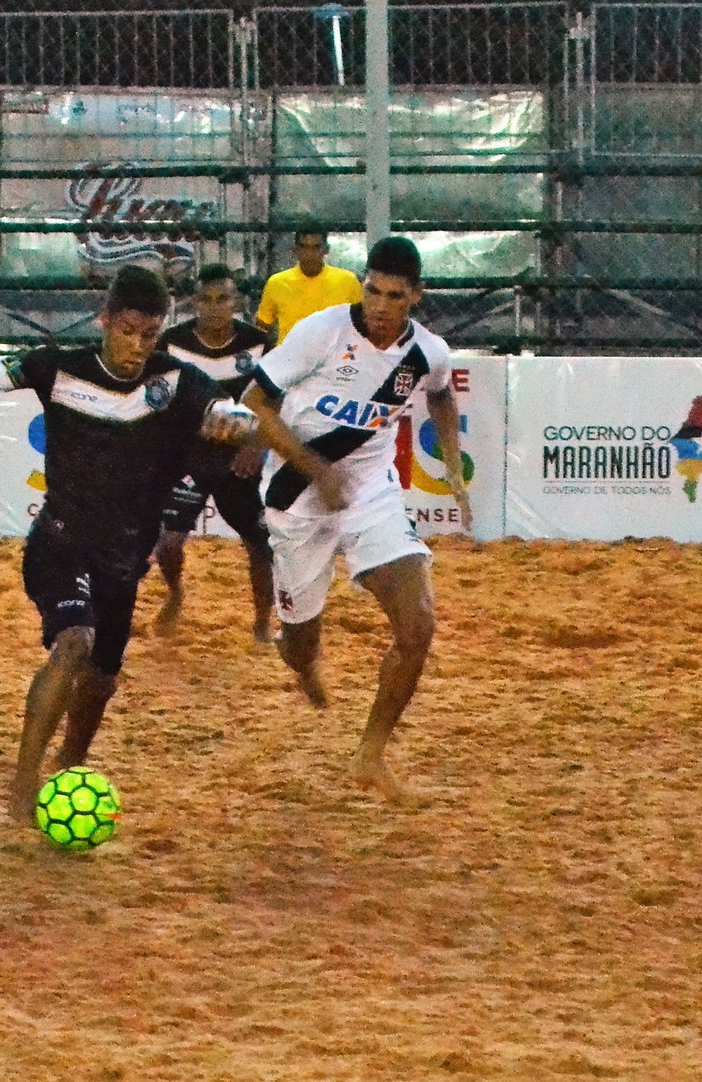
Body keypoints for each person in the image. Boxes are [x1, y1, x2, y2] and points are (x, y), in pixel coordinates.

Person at [0, 265, 254, 820]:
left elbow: (223, 408)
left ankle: (70, 762)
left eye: (150, 334)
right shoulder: (56, 366)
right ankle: (20, 791)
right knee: (74, 643)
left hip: (126, 556)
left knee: (102, 678)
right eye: (128, 330)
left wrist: (235, 420)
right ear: (105, 320)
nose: (138, 345)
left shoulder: (174, 382)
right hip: (60, 541)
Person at [240, 236, 470, 803]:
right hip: (297, 495)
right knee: (298, 644)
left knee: (418, 626)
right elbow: (254, 400)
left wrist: (456, 475)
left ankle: (369, 755)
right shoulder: (321, 332)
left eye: (395, 295)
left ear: (416, 296)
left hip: (370, 490)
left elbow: (440, 395)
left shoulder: (428, 352)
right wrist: (315, 467)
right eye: (372, 290)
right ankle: (304, 662)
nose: (380, 305)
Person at [151, 263, 276, 642]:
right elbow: (156, 396)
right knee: (169, 543)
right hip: (189, 455)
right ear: (193, 303)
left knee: (259, 542)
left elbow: (279, 397)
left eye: (223, 299)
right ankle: (175, 593)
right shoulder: (171, 343)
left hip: (238, 458)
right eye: (206, 300)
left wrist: (258, 444)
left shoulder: (258, 344)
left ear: (236, 301)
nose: (215, 307)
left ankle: (261, 623)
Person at [254, 225, 363, 345]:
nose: (309, 254)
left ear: (326, 250)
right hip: (290, 359)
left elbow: (363, 323)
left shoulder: (347, 281)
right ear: (295, 250)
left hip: (334, 359)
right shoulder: (277, 283)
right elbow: (262, 327)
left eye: (316, 247)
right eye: (304, 247)